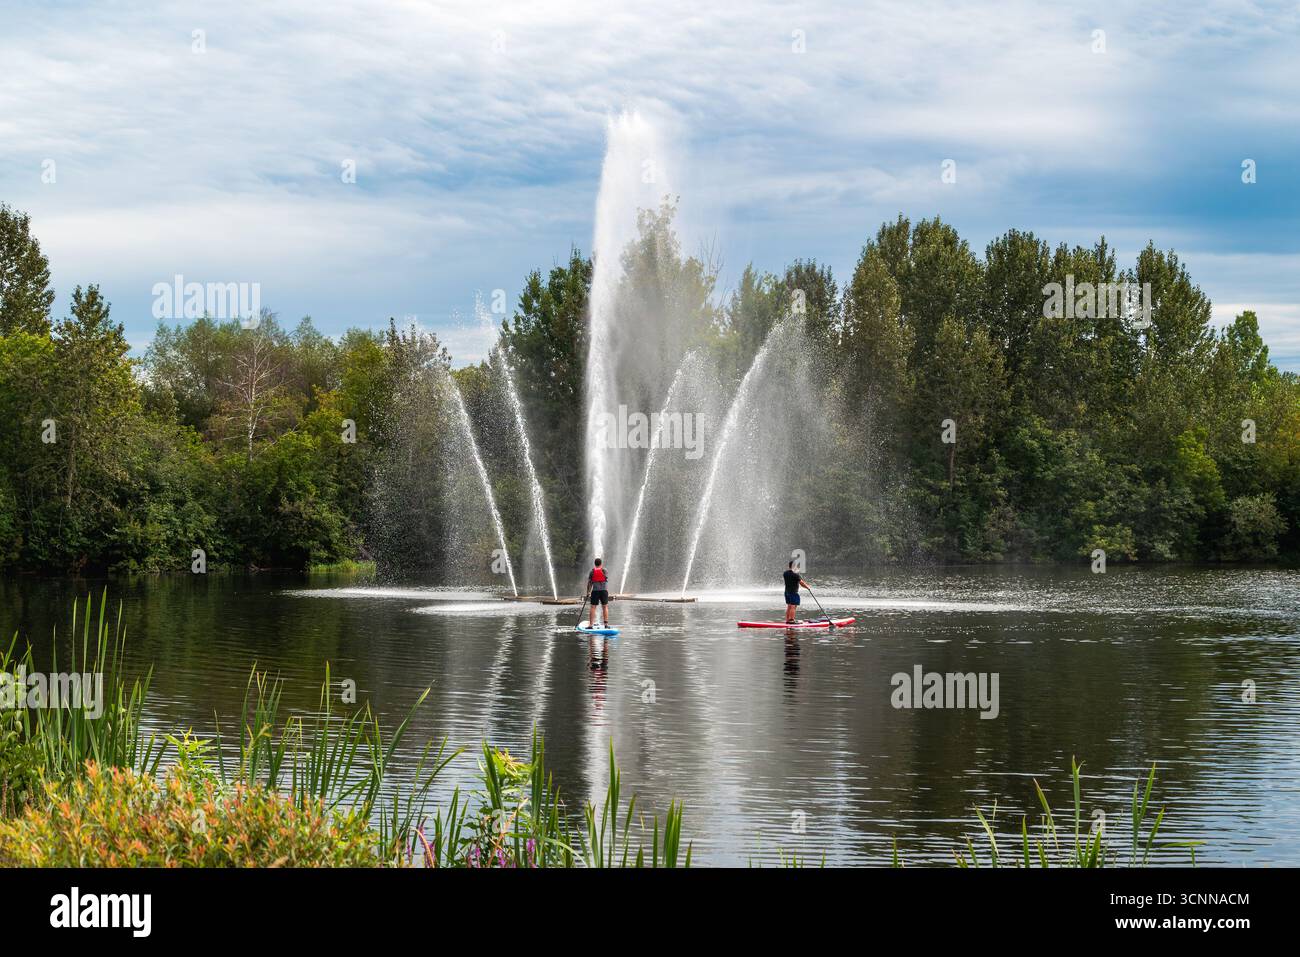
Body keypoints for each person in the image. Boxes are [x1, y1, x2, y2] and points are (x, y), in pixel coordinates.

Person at [586, 558, 612, 628]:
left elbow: (589, 583)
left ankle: (591, 625)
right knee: (605, 607)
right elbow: (606, 579)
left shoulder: (592, 572)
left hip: (595, 591)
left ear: (595, 564)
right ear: (601, 564)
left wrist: (588, 592)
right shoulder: (604, 570)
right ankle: (606, 624)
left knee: (593, 607)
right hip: (604, 591)